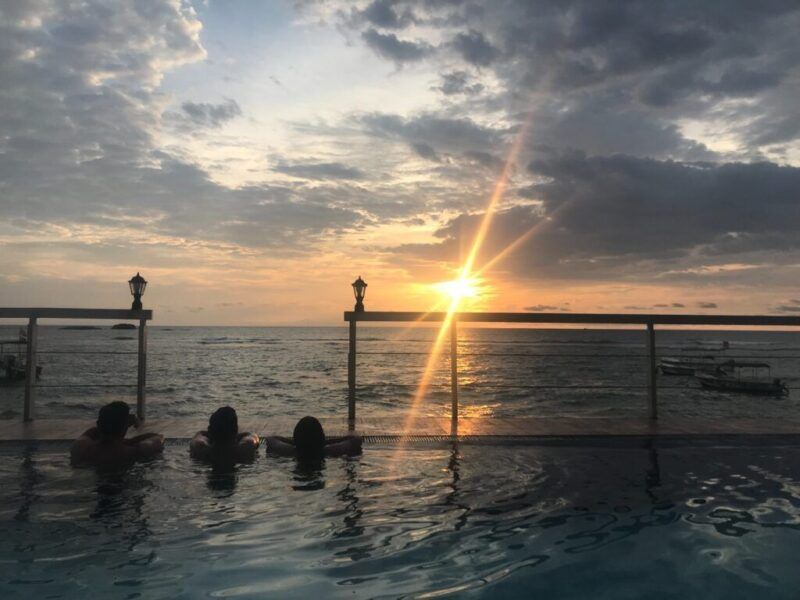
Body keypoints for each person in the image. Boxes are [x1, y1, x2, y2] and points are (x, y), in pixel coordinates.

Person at [70, 401, 164, 466]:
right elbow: (158, 438)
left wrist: (123, 439)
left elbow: (92, 432)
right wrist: (128, 440)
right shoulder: (130, 453)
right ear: (125, 426)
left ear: (98, 424)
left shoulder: (80, 448)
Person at [266, 416, 362, 459]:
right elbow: (356, 439)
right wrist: (326, 442)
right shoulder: (331, 451)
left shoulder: (289, 451)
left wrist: (295, 443)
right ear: (322, 438)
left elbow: (271, 438)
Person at [189, 406, 259, 463]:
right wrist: (235, 436)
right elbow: (251, 435)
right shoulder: (246, 449)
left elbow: (200, 434)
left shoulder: (201, 450)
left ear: (210, 430)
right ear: (235, 429)